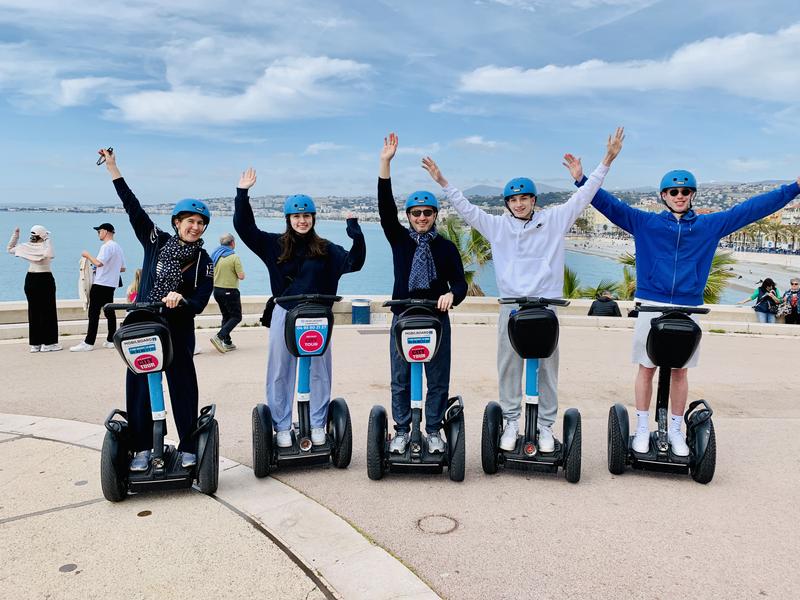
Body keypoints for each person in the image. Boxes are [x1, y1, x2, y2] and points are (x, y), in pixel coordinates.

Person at [565, 158, 800, 456]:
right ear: (663, 196)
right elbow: (609, 204)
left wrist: (794, 187)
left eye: (685, 191)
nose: (680, 196)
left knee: (680, 371)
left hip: (689, 306)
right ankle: (642, 427)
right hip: (652, 304)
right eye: (673, 192)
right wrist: (581, 179)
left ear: (692, 195)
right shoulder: (645, 223)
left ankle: (676, 429)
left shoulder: (709, 226)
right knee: (646, 368)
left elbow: (751, 209)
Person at [422, 128, 625, 453]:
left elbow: (584, 196)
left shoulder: (555, 219)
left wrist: (606, 161)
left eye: (524, 198)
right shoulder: (497, 226)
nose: (519, 204)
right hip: (512, 306)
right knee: (509, 366)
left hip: (546, 306)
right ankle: (511, 422)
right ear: (507, 204)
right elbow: (467, 209)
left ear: (534, 200)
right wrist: (443, 182)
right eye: (513, 200)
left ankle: (545, 426)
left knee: (547, 369)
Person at [98, 148, 214, 471]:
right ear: (177, 222)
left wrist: (183, 300)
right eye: (190, 221)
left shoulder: (204, 261)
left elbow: (201, 298)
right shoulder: (155, 240)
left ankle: (188, 445)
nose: (195, 227)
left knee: (182, 384)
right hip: (144, 323)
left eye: (200, 223)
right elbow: (132, 208)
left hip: (177, 327)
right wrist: (113, 169)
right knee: (138, 384)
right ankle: (142, 447)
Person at [233, 167, 365, 448]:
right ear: (288, 219)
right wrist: (242, 194)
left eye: (306, 216)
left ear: (313, 218)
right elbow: (245, 229)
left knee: (320, 370)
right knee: (280, 370)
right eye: (296, 216)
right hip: (285, 312)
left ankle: (317, 423)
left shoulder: (326, 248)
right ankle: (282, 426)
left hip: (317, 315)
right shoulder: (274, 245)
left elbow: (354, 262)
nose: (302, 221)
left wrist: (356, 233)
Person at [378, 133, 468, 454]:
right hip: (404, 315)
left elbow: (460, 284)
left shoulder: (446, 248)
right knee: (400, 378)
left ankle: (432, 430)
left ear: (435, 215)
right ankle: (402, 430)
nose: (421, 218)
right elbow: (385, 209)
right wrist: (385, 163)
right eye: (415, 213)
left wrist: (452, 296)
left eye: (427, 213)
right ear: (408, 216)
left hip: (436, 317)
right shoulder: (399, 240)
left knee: (438, 378)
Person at [71, 223, 126, 351]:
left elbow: (98, 263)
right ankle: (111, 340)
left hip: (100, 284)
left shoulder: (106, 246)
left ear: (105, 231)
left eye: (99, 231)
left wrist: (87, 255)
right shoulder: (118, 247)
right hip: (111, 285)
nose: (98, 234)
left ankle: (88, 342)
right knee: (109, 312)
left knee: (93, 313)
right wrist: (109, 269)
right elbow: (122, 268)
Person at [6, 225, 61, 352]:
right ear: (43, 235)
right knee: (48, 311)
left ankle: (35, 344)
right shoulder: (45, 247)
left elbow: (9, 249)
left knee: (34, 311)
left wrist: (15, 236)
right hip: (45, 279)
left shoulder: (27, 247)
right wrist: (47, 239)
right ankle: (49, 343)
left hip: (30, 279)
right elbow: (50, 254)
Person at [209, 233, 246, 353]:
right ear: (232, 243)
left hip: (217, 291)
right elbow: (241, 276)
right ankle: (219, 337)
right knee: (236, 317)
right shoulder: (234, 257)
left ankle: (227, 342)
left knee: (226, 316)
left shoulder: (215, 255)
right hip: (230, 291)